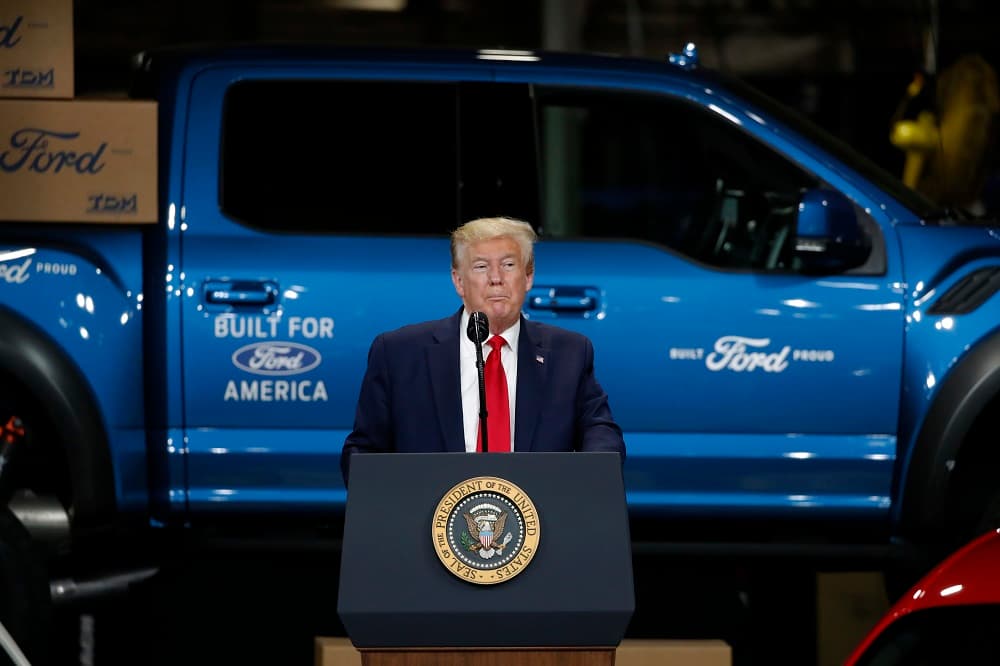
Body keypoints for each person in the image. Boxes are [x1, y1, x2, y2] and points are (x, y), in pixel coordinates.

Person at [341, 216, 624, 483]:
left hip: (536, 520)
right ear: (459, 281)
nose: (496, 278)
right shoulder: (399, 354)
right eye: (480, 266)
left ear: (528, 278)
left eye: (509, 265)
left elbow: (600, 432)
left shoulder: (568, 353)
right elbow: (363, 452)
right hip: (429, 524)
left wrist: (589, 477)